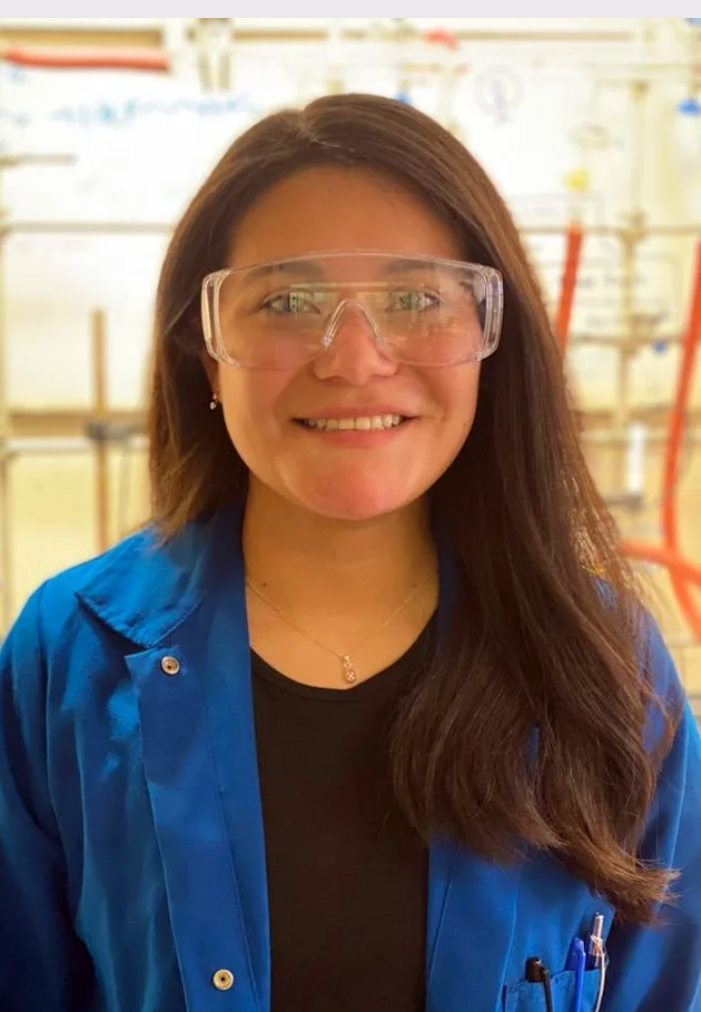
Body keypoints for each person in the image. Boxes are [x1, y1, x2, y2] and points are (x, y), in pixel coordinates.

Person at [0, 93, 700, 1012]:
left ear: (493, 337)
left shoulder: (600, 654)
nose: (355, 359)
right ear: (205, 351)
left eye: (415, 299)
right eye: (289, 302)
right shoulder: (70, 656)